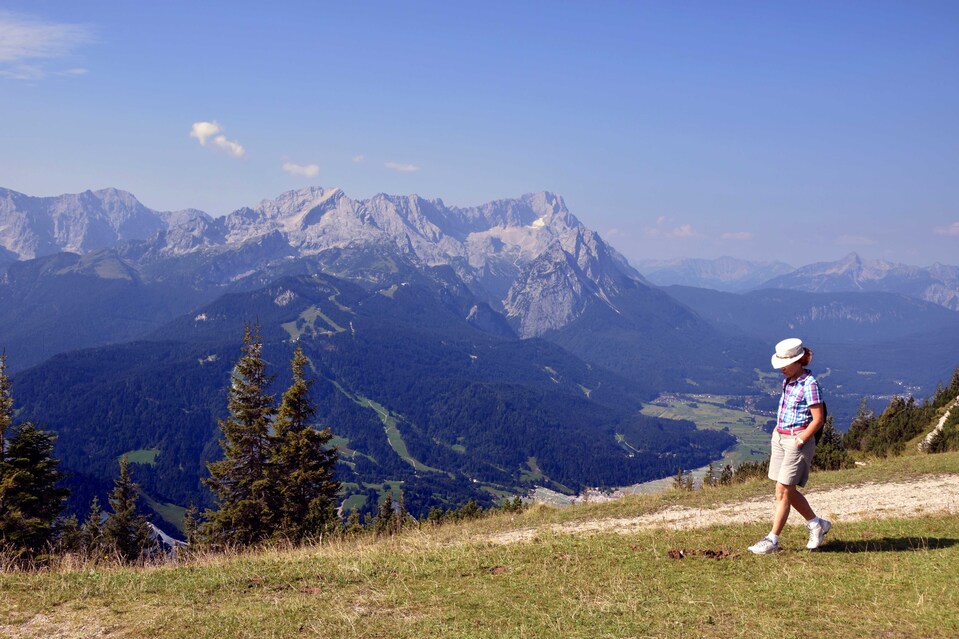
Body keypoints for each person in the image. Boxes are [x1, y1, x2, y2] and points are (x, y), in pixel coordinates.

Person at [748, 338, 831, 554]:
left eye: (785, 364)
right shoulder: (789, 380)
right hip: (781, 438)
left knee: (782, 491)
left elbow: (818, 419)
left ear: (798, 361)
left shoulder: (809, 384)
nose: (781, 369)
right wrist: (778, 430)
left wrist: (801, 440)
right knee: (785, 489)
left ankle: (772, 540)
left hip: (796, 441)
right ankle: (816, 524)